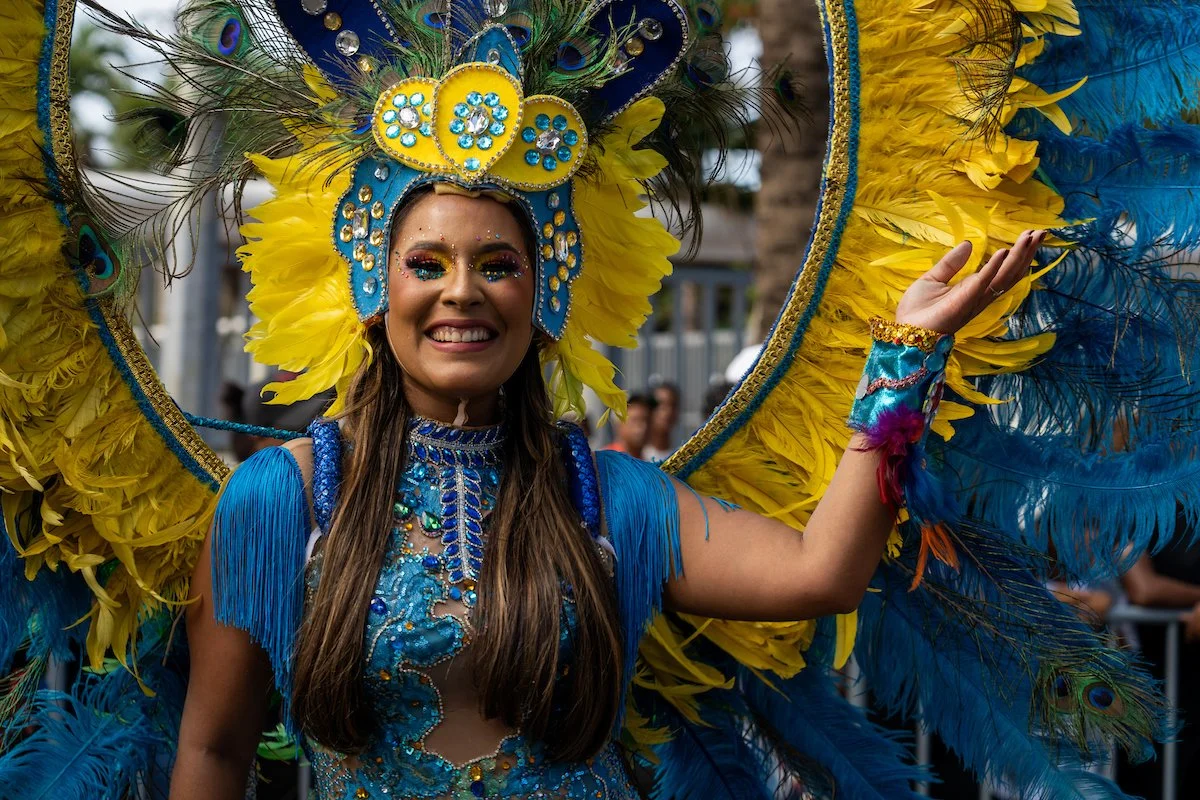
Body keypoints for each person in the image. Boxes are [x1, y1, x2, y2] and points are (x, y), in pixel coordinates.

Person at [6, 3, 1200, 799]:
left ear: (548, 290)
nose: (461, 293)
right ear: (374, 288)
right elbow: (212, 747)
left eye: (498, 263)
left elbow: (821, 574)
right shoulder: (280, 503)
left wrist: (900, 360)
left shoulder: (610, 502)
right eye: (427, 264)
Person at [604, 392, 657, 460]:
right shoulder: (604, 461)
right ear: (618, 423)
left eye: (648, 420)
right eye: (636, 420)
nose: (644, 426)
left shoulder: (651, 461)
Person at [644, 382, 680, 461]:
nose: (668, 411)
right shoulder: (637, 457)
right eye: (661, 405)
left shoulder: (682, 455)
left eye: (673, 405)